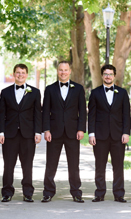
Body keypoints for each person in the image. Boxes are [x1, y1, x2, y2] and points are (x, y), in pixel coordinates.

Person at [41, 61, 86, 203]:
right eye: (61, 70)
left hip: (73, 132)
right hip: (54, 132)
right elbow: (45, 111)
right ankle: (48, 192)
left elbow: (82, 111)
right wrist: (46, 130)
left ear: (70, 71)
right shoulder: (49, 89)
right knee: (51, 164)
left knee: (74, 164)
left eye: (65, 70)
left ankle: (76, 192)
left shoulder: (78, 89)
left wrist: (81, 129)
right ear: (57, 71)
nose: (63, 72)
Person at [0, 63, 42, 203]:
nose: (20, 75)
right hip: (9, 134)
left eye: (23, 73)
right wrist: (1, 132)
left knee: (27, 165)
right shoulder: (5, 92)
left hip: (28, 134)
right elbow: (1, 114)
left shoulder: (34, 92)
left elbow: (37, 114)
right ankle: (7, 192)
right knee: (8, 165)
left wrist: (37, 132)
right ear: (13, 74)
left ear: (27, 75)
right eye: (18, 72)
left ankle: (28, 193)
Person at [87, 64, 130, 203]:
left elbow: (126, 115)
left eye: (110, 74)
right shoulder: (95, 93)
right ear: (102, 76)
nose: (108, 76)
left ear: (114, 76)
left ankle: (119, 194)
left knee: (118, 166)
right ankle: (99, 193)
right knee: (100, 166)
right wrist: (91, 133)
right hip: (99, 136)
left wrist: (126, 132)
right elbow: (91, 115)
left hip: (118, 136)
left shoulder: (122, 93)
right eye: (105, 74)